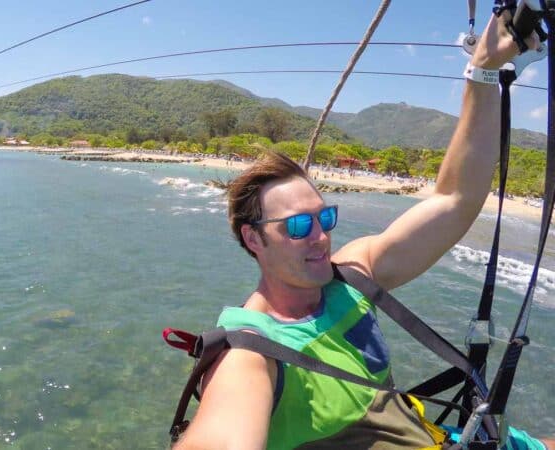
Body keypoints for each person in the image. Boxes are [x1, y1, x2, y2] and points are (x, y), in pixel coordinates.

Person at [173, 11, 554, 450]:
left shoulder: (352, 276)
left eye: (324, 217)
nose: (319, 236)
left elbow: (454, 201)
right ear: (253, 238)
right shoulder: (252, 354)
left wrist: (483, 71)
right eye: (297, 226)